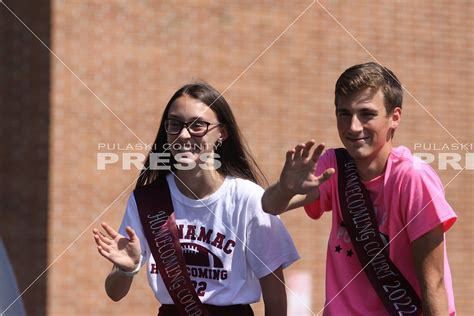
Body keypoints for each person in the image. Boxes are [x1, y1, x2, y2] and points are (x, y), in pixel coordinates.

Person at [262, 62, 457, 315]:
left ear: (394, 117)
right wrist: (286, 188)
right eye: (344, 114)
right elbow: (269, 205)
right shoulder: (334, 165)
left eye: (367, 114)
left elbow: (434, 282)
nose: (353, 126)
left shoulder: (413, 178)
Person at [92, 82, 299, 316]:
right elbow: (114, 292)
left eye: (198, 125)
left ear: (223, 132)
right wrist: (126, 270)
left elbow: (276, 302)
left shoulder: (248, 199)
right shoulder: (147, 200)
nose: (183, 134)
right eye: (175, 124)